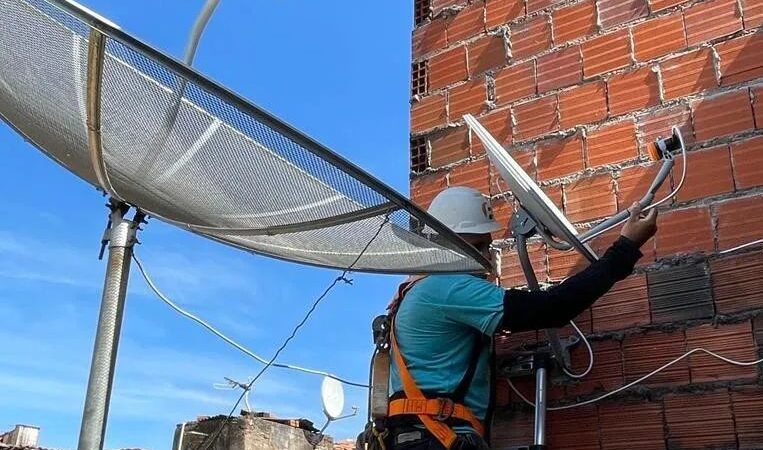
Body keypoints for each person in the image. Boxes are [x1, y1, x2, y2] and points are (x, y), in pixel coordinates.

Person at [383, 186, 657, 450]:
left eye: (487, 246)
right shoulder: (449, 287)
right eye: (479, 245)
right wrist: (626, 248)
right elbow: (552, 308)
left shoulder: (421, 288)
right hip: (437, 436)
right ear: (447, 242)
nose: (487, 255)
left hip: (421, 435)